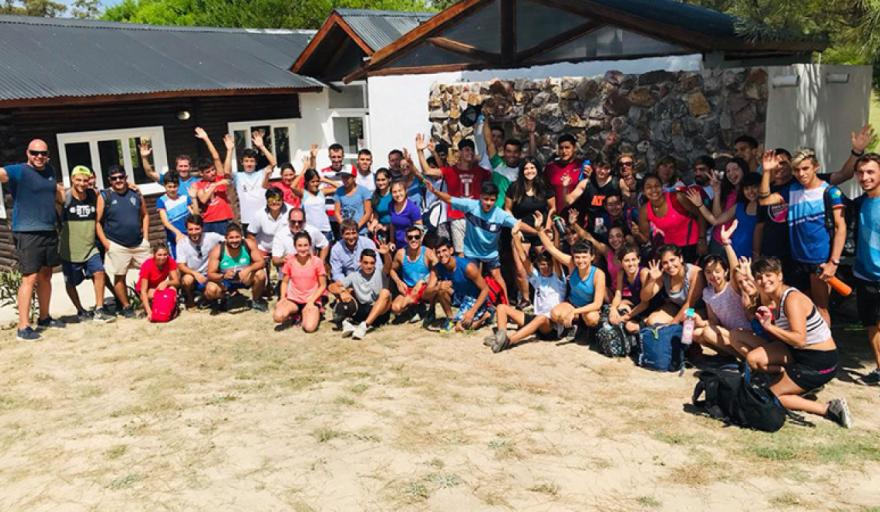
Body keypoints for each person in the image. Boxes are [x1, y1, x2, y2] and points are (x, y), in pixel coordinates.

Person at [736, 258, 852, 427]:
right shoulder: (773, 297)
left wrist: (769, 326)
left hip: (819, 361)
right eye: (759, 277)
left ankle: (828, 408)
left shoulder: (792, 299)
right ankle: (791, 380)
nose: (764, 281)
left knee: (772, 395)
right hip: (797, 352)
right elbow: (754, 303)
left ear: (780, 276)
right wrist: (747, 275)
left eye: (769, 275)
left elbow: (799, 338)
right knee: (753, 358)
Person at [759, 149, 845, 325]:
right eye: (797, 170)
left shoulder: (830, 191)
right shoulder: (792, 189)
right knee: (800, 306)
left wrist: (833, 262)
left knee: (821, 308)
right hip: (796, 260)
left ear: (816, 167)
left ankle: (825, 349)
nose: (801, 174)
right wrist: (767, 172)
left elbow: (840, 227)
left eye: (805, 168)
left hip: (820, 261)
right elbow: (764, 200)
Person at [427, 180, 535, 303]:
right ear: (480, 197)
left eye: (492, 200)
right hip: (471, 251)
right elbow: (450, 199)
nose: (488, 203)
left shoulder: (500, 214)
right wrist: (434, 191)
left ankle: (507, 304)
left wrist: (537, 232)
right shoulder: (470, 206)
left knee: (497, 277)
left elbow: (518, 224)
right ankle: (475, 303)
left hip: (490, 252)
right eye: (486, 199)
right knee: (473, 278)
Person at [0, 139, 66, 340]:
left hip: (48, 229)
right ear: (27, 153)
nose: (39, 156)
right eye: (35, 153)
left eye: (43, 153)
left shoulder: (50, 171)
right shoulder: (18, 171)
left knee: (46, 275)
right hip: (27, 232)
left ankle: (44, 317)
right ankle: (23, 327)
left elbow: (57, 194)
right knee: (29, 278)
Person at [489, 227, 567, 353]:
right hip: (536, 320)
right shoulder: (538, 278)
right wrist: (515, 237)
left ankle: (510, 341)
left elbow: (556, 256)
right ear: (538, 265)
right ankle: (500, 336)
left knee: (541, 318)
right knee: (501, 308)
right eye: (542, 265)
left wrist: (556, 233)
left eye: (548, 265)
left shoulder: (558, 279)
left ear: (552, 265)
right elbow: (523, 258)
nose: (545, 267)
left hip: (550, 325)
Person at [415, 134, 490, 255]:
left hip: (476, 217)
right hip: (457, 217)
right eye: (466, 149)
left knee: (477, 252)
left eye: (471, 150)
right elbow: (428, 171)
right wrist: (420, 151)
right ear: (459, 152)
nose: (469, 152)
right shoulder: (450, 171)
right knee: (460, 252)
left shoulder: (481, 171)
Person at [59, 166, 114, 323]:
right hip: (70, 249)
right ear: (72, 179)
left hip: (90, 246)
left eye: (85, 180)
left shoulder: (93, 194)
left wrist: (133, 186)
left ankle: (99, 309)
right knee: (71, 282)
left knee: (99, 272)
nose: (82, 183)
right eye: (78, 180)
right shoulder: (65, 197)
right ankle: (80, 310)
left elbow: (108, 193)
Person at [690, 221, 753, 357]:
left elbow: (735, 268)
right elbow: (713, 321)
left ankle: (743, 356)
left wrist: (726, 243)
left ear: (725, 272)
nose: (713, 275)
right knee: (696, 333)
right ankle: (732, 356)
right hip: (727, 332)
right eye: (708, 272)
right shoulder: (707, 293)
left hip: (745, 333)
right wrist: (700, 321)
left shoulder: (732, 286)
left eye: (717, 271)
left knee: (706, 332)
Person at [96, 165, 150, 318]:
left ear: (126, 178)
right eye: (114, 178)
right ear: (109, 180)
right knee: (120, 275)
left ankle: (147, 301)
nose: (118, 180)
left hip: (139, 243)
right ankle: (126, 307)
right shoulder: (104, 196)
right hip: (117, 244)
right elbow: (97, 222)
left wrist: (145, 237)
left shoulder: (136, 193)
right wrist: (106, 244)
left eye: (121, 177)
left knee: (150, 272)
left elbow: (145, 215)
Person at [535, 223, 605, 337]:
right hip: (572, 304)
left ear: (592, 257)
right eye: (577, 257)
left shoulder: (598, 274)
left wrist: (574, 312)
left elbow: (597, 304)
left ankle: (587, 329)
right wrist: (539, 230)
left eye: (584, 257)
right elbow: (551, 249)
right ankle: (574, 325)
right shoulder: (572, 264)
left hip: (589, 308)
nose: (580, 260)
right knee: (555, 314)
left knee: (592, 318)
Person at [504, 157, 555, 307]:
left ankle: (547, 294)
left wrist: (548, 227)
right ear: (521, 171)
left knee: (546, 264)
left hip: (541, 231)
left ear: (537, 169)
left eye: (532, 168)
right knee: (521, 269)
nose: (529, 171)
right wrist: (515, 226)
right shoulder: (514, 187)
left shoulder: (545, 187)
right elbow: (507, 209)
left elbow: (552, 208)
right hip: (521, 231)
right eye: (526, 168)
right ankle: (525, 299)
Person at [853, 153, 880, 385]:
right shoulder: (860, 203)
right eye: (861, 173)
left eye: (870, 172)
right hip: (864, 274)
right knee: (871, 324)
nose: (865, 177)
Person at [687, 173, 761, 258]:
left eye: (754, 187)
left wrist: (757, 257)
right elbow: (715, 221)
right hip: (734, 255)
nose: (750, 192)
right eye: (747, 188)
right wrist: (700, 205)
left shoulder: (765, 207)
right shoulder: (739, 206)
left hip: (754, 256)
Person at [426, 238, 493, 332]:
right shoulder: (437, 268)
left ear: (451, 250)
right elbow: (426, 294)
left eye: (444, 250)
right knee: (441, 290)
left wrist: (472, 311)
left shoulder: (467, 267)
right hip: (459, 297)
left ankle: (486, 315)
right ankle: (450, 319)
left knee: (463, 327)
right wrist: (437, 287)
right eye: (438, 252)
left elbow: (485, 289)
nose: (441, 255)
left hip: (474, 298)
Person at [637, 175, 705, 262]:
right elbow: (645, 238)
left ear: (662, 187)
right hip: (671, 249)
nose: (653, 190)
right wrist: (636, 233)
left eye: (656, 186)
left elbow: (700, 214)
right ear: (643, 191)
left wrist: (702, 240)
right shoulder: (644, 210)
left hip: (692, 245)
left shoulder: (677, 197)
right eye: (649, 187)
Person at [329, 247, 393, 340]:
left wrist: (386, 254)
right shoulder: (354, 275)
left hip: (380, 312)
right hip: (362, 310)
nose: (369, 266)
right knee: (346, 291)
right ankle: (346, 323)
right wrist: (342, 292)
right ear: (360, 262)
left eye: (372, 263)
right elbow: (331, 286)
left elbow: (388, 265)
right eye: (365, 263)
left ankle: (364, 326)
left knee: (385, 292)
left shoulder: (380, 272)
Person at [204, 224, 268, 312]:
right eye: (231, 238)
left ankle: (256, 300)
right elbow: (210, 274)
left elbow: (261, 262)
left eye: (237, 237)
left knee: (260, 274)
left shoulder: (248, 244)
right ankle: (224, 299)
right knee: (210, 289)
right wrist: (223, 276)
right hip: (226, 282)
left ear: (241, 237)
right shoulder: (217, 250)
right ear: (226, 238)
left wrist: (248, 270)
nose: (234, 240)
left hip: (245, 278)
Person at [273, 231, 327, 333]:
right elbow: (284, 282)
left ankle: (310, 313)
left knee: (309, 328)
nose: (303, 249)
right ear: (295, 246)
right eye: (300, 245)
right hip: (294, 299)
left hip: (312, 300)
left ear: (310, 245)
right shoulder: (290, 261)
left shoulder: (317, 262)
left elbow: (323, 285)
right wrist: (283, 298)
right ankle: (296, 313)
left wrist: (311, 301)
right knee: (278, 316)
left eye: (306, 245)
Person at [641, 245, 704, 326]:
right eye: (665, 263)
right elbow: (644, 298)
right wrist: (652, 280)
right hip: (677, 307)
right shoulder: (664, 274)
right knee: (651, 321)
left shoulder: (695, 273)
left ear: (681, 258)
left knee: (688, 325)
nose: (670, 265)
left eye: (672, 260)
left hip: (695, 309)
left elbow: (689, 304)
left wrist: (673, 324)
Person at [229, 130, 277, 230]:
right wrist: (230, 150)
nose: (249, 164)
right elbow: (225, 171)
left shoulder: (261, 173)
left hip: (264, 217)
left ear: (256, 163)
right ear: (241, 162)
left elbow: (273, 163)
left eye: (252, 161)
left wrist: (262, 147)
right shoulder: (238, 176)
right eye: (246, 161)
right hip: (247, 219)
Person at [175, 214, 224, 309]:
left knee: (214, 291)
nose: (194, 232)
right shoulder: (182, 243)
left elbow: (230, 240)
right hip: (193, 275)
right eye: (190, 229)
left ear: (202, 228)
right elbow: (181, 265)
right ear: (186, 229)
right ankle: (190, 299)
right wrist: (195, 274)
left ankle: (205, 298)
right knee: (187, 280)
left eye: (197, 229)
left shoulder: (211, 237)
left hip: (210, 274)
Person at [390, 226, 438, 319]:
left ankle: (428, 309)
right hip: (408, 287)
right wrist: (398, 282)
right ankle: (415, 308)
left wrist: (423, 281)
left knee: (432, 287)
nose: (413, 240)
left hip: (424, 288)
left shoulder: (427, 252)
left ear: (421, 238)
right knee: (395, 308)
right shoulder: (401, 253)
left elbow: (438, 268)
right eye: (410, 237)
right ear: (405, 239)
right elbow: (392, 270)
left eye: (416, 237)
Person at [247, 189, 289, 293]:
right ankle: (265, 286)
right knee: (262, 272)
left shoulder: (290, 211)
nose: (275, 202)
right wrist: (255, 251)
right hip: (264, 246)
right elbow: (251, 234)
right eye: (271, 200)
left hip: (283, 247)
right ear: (266, 200)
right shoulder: (259, 214)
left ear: (283, 200)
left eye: (278, 199)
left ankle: (282, 284)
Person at [708, 157, 748, 254]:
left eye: (735, 169)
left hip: (739, 244)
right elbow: (717, 218)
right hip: (718, 241)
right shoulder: (728, 192)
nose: (731, 173)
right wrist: (717, 192)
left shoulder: (751, 194)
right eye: (728, 171)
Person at [608, 243, 650, 334]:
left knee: (630, 327)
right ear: (620, 262)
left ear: (639, 260)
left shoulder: (643, 273)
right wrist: (613, 309)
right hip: (637, 305)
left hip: (650, 307)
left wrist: (626, 317)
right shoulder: (621, 273)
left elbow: (645, 303)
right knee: (618, 309)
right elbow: (618, 294)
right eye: (626, 260)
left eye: (633, 259)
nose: (631, 264)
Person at [481, 117, 522, 206]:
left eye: (515, 152)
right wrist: (486, 118)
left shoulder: (524, 170)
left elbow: (532, 154)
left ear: (520, 154)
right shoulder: (498, 164)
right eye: (509, 151)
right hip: (493, 212)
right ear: (504, 152)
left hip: (512, 214)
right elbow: (489, 142)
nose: (512, 155)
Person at [136, 242, 180, 319]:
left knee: (173, 289)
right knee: (155, 295)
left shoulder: (170, 261)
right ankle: (147, 306)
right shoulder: (147, 265)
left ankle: (169, 308)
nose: (162, 257)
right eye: (159, 255)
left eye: (165, 254)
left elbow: (176, 281)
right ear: (154, 254)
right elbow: (143, 290)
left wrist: (166, 282)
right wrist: (149, 312)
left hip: (159, 286)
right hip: (146, 290)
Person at [156, 171, 194, 259]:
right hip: (174, 238)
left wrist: (194, 199)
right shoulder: (162, 201)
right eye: (169, 187)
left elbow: (194, 216)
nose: (172, 189)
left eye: (175, 186)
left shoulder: (184, 198)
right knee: (177, 262)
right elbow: (165, 222)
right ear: (164, 186)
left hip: (189, 235)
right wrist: (178, 233)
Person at [544, 133, 584, 211]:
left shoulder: (582, 166)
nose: (564, 151)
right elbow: (545, 191)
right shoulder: (550, 168)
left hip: (578, 214)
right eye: (561, 148)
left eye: (567, 147)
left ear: (574, 148)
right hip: (556, 214)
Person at [294, 168, 334, 242]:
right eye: (312, 182)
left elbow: (340, 187)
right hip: (309, 230)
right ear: (307, 182)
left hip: (325, 229)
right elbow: (292, 186)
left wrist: (325, 180)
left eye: (317, 181)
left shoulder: (322, 192)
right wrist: (303, 170)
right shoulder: (303, 193)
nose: (315, 184)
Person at [334, 167, 372, 233]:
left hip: (361, 231)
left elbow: (368, 212)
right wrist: (344, 226)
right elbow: (337, 212)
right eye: (343, 177)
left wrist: (357, 226)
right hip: (346, 232)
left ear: (354, 178)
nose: (345, 180)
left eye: (347, 177)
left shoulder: (364, 191)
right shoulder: (339, 191)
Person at [389, 180, 423, 247]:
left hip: (411, 245)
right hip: (398, 244)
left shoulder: (413, 208)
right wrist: (391, 242)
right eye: (394, 192)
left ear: (405, 191)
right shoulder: (391, 205)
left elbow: (420, 229)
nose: (398, 194)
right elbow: (392, 226)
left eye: (400, 191)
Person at [369, 168, 393, 239]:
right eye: (378, 180)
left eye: (383, 179)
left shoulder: (394, 193)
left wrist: (387, 227)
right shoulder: (375, 196)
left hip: (395, 229)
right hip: (382, 231)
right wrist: (372, 226)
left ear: (389, 179)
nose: (380, 183)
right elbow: (376, 217)